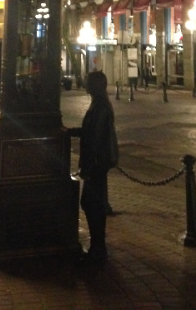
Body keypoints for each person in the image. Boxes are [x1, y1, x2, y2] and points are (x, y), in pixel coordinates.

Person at [68, 70, 118, 263]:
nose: (85, 83)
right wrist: (71, 131)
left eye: (88, 81)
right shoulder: (99, 105)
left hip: (96, 164)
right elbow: (90, 132)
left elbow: (94, 137)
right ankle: (98, 246)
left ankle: (98, 248)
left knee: (91, 203)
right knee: (93, 203)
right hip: (98, 163)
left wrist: (87, 167)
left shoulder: (100, 108)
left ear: (95, 85)